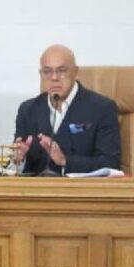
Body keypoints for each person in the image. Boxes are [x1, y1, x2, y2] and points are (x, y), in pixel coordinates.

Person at [12, 44, 121, 176]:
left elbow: (110, 162)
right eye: (47, 72)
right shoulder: (28, 110)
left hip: (81, 187)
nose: (54, 78)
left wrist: (65, 161)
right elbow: (19, 164)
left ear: (75, 72)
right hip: (37, 187)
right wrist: (19, 159)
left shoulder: (102, 108)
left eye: (62, 71)